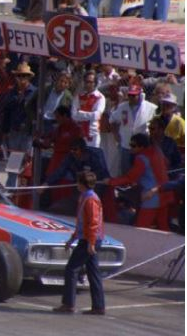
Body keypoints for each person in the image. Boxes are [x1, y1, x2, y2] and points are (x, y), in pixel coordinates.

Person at [53, 171, 105, 315]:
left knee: (71, 269)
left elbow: (93, 223)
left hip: (89, 239)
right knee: (93, 273)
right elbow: (82, 223)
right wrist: (73, 238)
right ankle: (98, 306)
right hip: (89, 238)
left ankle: (68, 304)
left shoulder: (90, 199)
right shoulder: (86, 197)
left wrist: (91, 242)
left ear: (82, 184)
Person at [106, 133, 172, 230]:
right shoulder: (157, 150)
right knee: (163, 227)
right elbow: (166, 163)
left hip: (151, 197)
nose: (130, 148)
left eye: (133, 146)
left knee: (140, 228)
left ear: (142, 146)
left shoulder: (141, 158)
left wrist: (110, 181)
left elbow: (130, 178)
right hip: (165, 193)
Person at [109, 84, 157, 175]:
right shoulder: (122, 107)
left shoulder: (151, 107)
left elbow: (156, 125)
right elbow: (112, 120)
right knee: (125, 170)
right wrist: (116, 135)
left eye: (134, 95)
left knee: (141, 171)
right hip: (126, 145)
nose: (131, 97)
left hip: (142, 146)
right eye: (130, 95)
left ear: (140, 95)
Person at [72, 70, 105, 148]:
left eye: (90, 82)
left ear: (95, 83)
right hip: (79, 134)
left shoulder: (100, 97)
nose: (88, 84)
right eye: (86, 82)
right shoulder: (79, 96)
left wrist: (80, 113)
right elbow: (73, 116)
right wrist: (89, 115)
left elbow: (96, 116)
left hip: (92, 136)